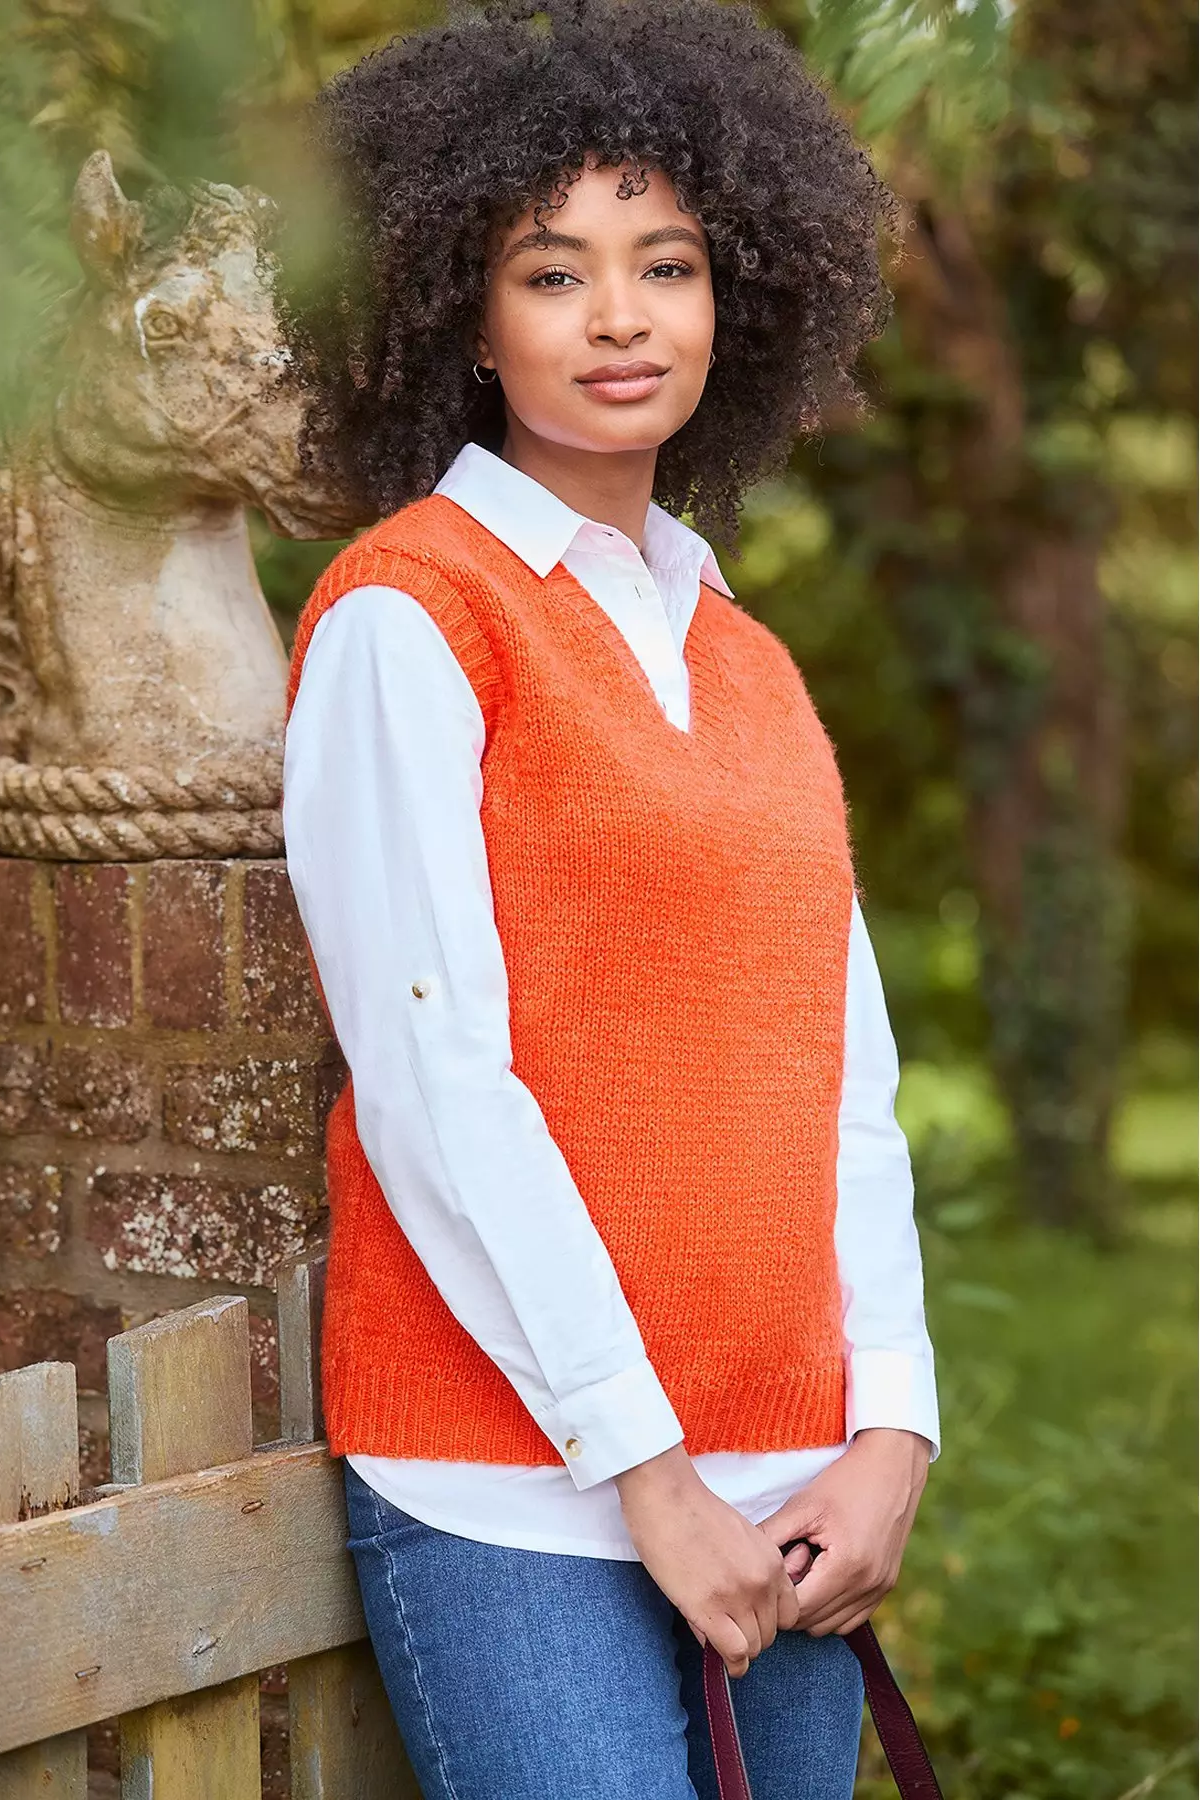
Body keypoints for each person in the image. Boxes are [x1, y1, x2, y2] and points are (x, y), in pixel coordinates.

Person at [280, 2, 939, 1794]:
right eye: (551, 272)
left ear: (739, 297)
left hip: (788, 1487)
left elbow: (840, 1078)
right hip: (518, 1491)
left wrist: (890, 1422)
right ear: (461, 315)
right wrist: (644, 1469)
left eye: (666, 264)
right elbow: (434, 1083)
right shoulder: (410, 615)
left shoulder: (744, 656)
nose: (621, 316)